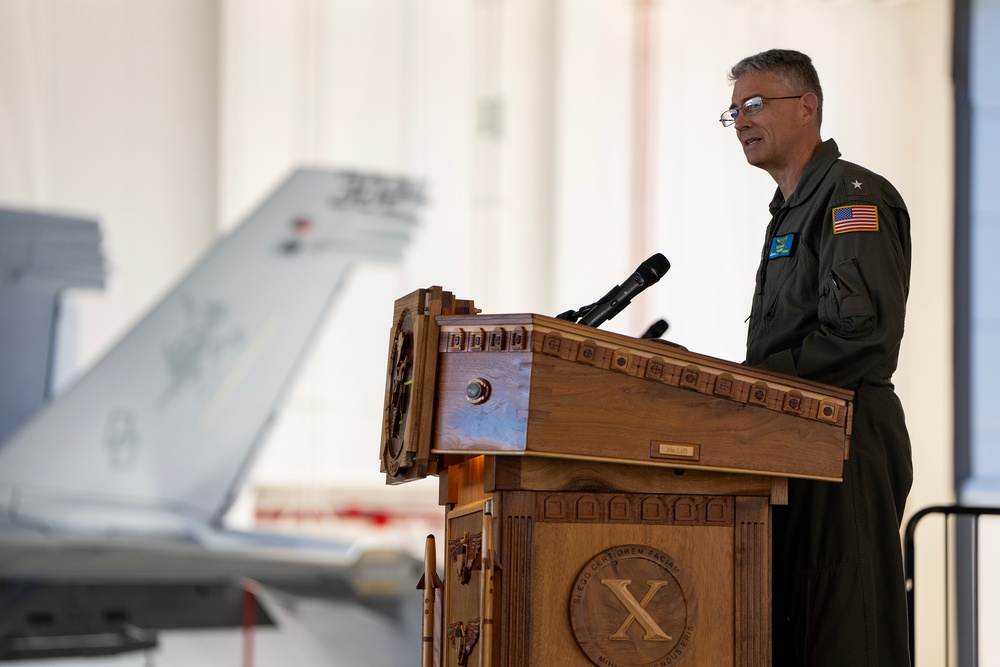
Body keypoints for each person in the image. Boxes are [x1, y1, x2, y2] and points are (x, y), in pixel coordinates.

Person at [722, 49, 913, 666]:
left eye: (755, 103)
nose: (742, 120)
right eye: (732, 112)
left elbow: (859, 337)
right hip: (797, 435)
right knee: (799, 627)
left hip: (844, 437)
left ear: (808, 106)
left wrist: (740, 387)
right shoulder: (792, 208)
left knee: (846, 630)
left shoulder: (851, 200)